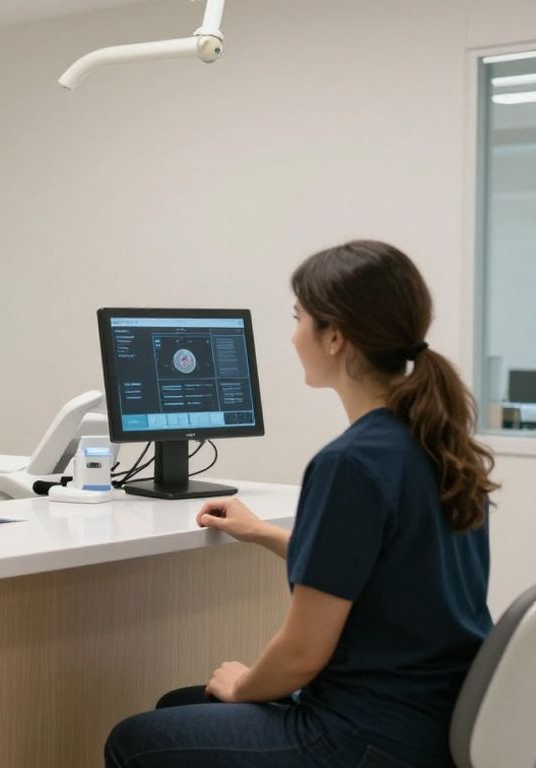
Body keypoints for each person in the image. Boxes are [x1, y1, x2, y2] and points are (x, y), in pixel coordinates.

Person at [105, 240, 497, 767]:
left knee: (133, 742)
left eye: (298, 318)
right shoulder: (436, 440)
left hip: (362, 734)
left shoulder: (350, 463)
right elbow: (381, 571)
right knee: (180, 705)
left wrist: (244, 686)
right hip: (433, 722)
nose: (292, 336)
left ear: (333, 336)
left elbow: (300, 654)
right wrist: (265, 532)